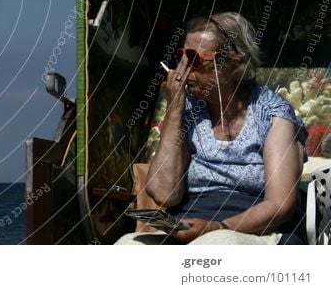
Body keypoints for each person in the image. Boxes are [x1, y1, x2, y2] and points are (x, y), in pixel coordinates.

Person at [117, 13, 307, 245]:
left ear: (232, 61)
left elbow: (280, 205)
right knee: (128, 245)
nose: (183, 69)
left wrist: (217, 227)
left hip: (254, 229)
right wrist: (175, 109)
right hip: (190, 224)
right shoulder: (190, 110)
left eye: (194, 59)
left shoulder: (271, 112)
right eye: (181, 56)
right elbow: (163, 193)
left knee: (218, 245)